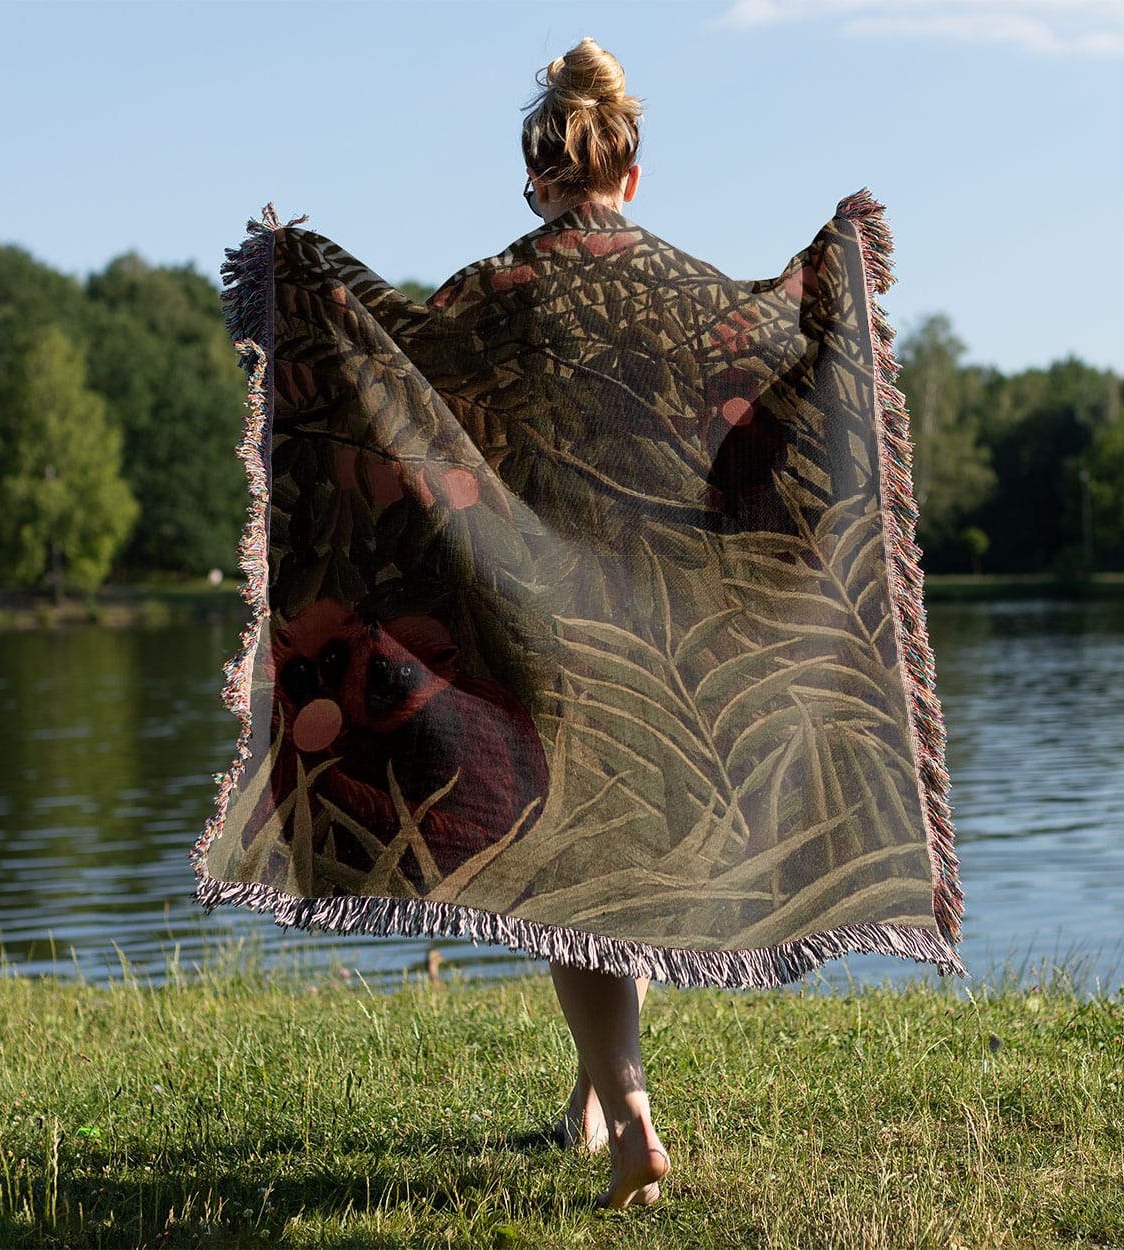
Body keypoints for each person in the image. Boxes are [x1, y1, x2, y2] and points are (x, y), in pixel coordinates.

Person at [518, 37, 670, 1212]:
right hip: (664, 620)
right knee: (613, 863)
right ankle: (586, 1099)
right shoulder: (682, 288)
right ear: (630, 169)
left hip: (544, 618)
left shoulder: (501, 289)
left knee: (568, 880)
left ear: (539, 178)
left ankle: (630, 1118)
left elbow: (400, 393)